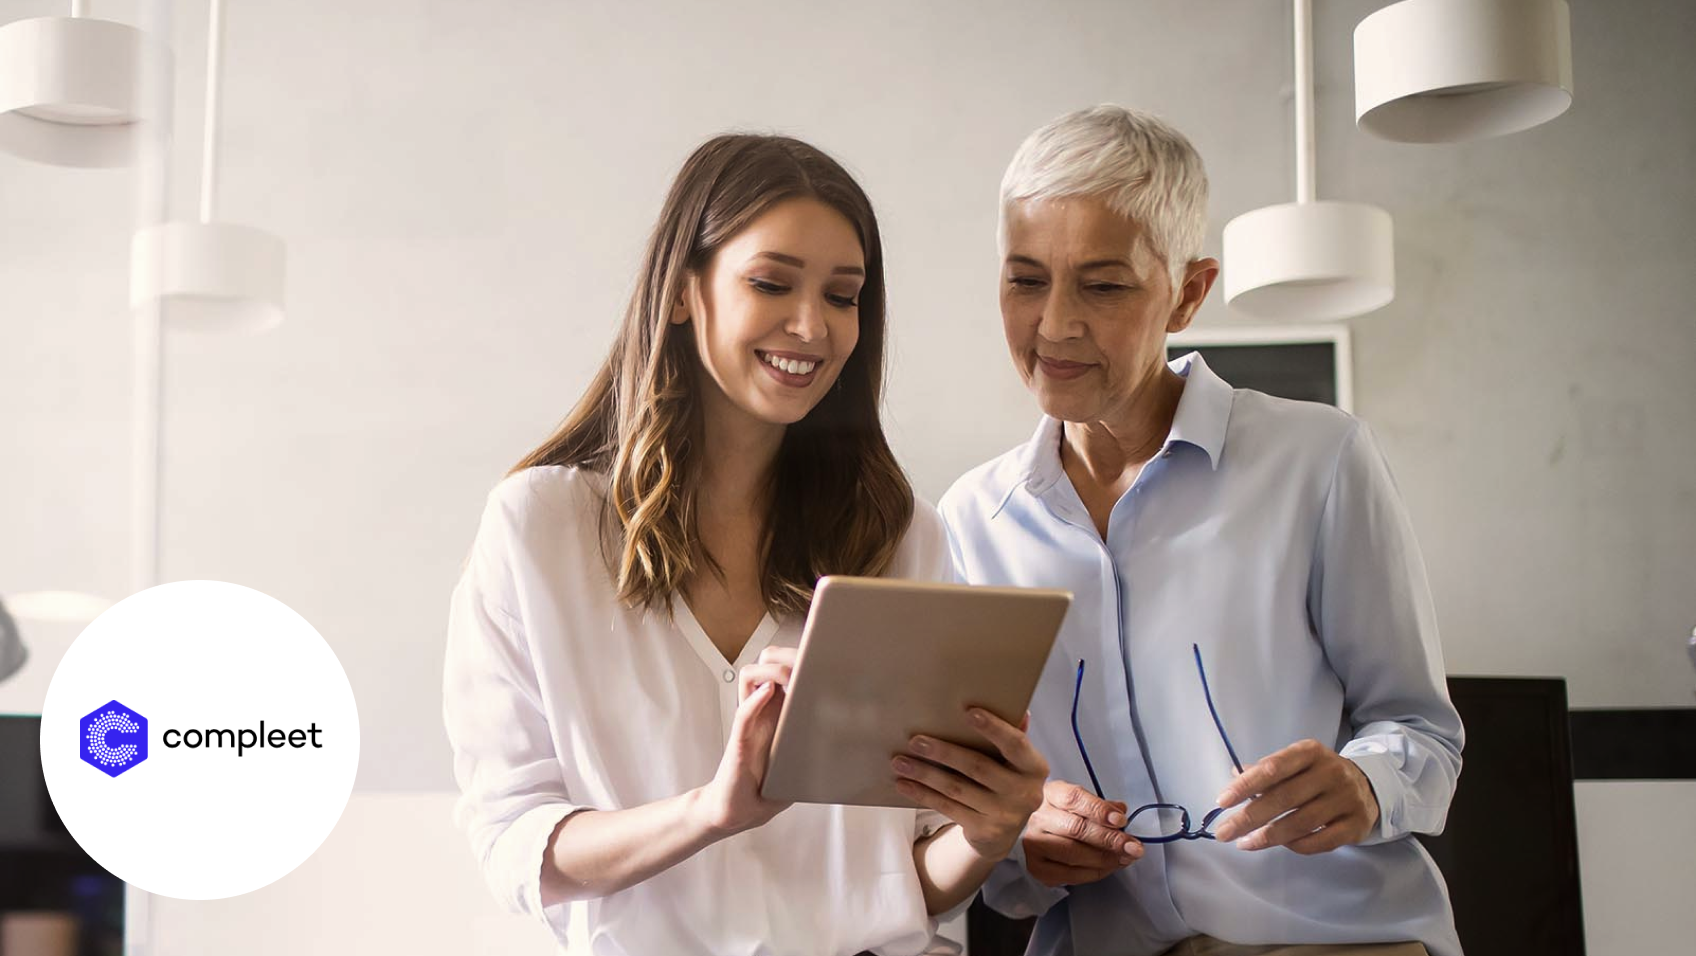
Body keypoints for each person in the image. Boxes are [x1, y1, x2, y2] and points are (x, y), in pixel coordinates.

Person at [443, 133, 1047, 955]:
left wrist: (988, 831)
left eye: (844, 295)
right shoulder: (540, 528)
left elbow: (910, 875)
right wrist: (712, 811)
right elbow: (515, 844)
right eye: (771, 283)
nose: (812, 326)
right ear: (686, 290)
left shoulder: (897, 535)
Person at [939, 106, 1465, 956]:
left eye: (1103, 285)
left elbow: (1424, 732)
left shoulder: (1320, 461)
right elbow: (985, 835)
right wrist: (1024, 843)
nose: (1056, 324)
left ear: (1188, 291)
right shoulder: (969, 521)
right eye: (1025, 279)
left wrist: (1366, 784)